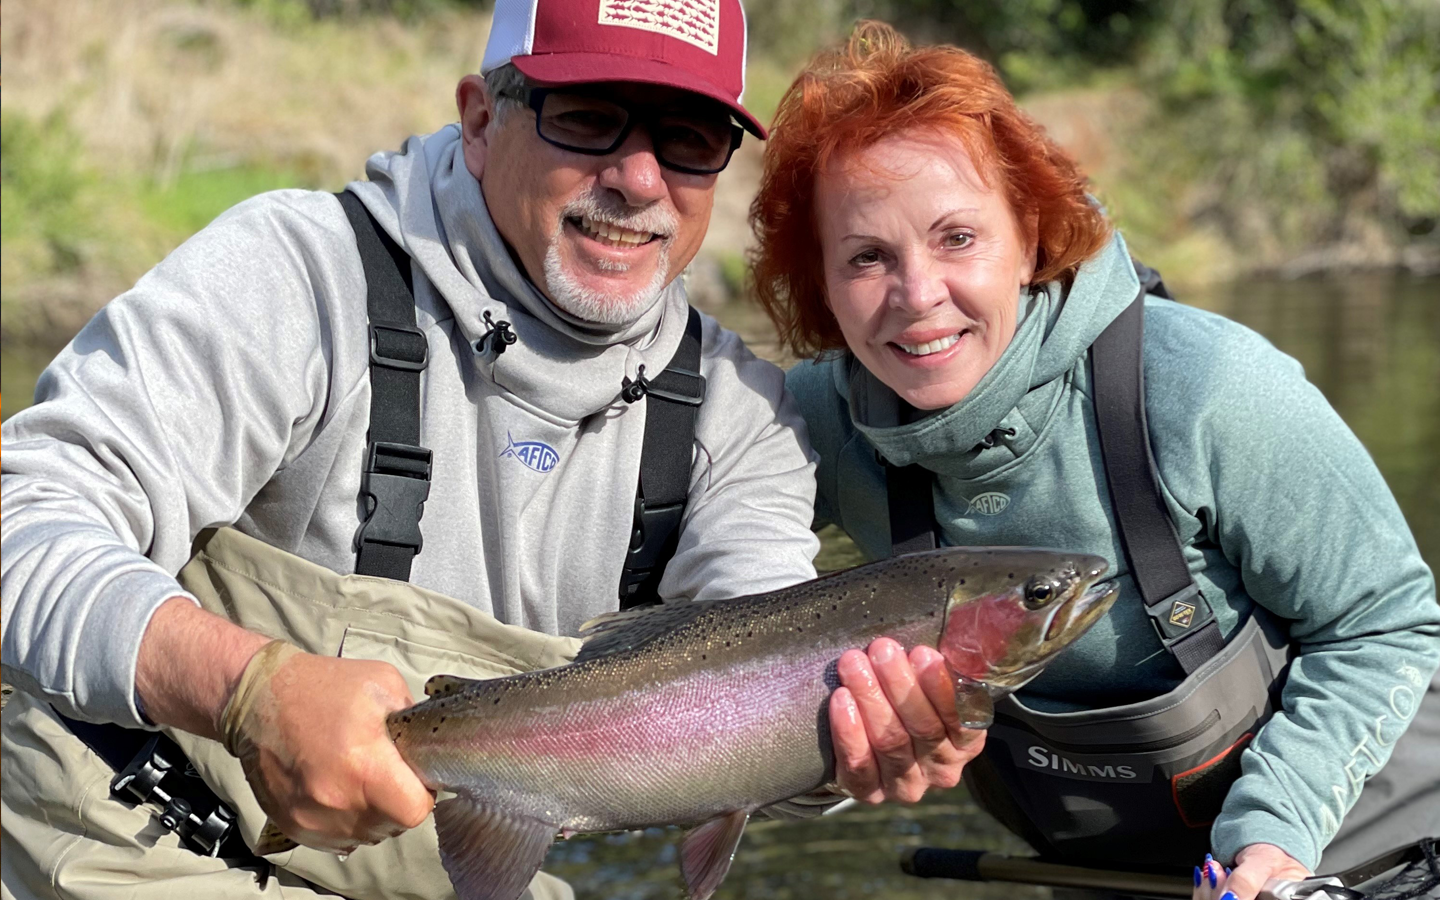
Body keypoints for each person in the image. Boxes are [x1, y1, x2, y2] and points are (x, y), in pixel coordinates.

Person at [0, 4, 978, 899]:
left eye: (688, 140)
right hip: (126, 838)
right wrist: (243, 688)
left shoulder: (739, 416)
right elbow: (24, 519)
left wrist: (852, 746)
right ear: (479, 119)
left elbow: (749, 705)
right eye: (590, 118)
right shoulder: (298, 275)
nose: (640, 179)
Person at [749, 21, 1440, 900]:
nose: (918, 295)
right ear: (821, 281)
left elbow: (1385, 623)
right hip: (1107, 872)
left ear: (1030, 237)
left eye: (957, 238)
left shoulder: (1211, 389)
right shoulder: (815, 422)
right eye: (867, 257)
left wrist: (1274, 835)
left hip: (1366, 841)